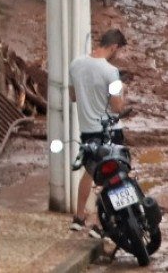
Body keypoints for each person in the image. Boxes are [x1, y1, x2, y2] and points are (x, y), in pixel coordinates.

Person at [69, 28, 128, 230]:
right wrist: (123, 92)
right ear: (114, 47)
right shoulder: (110, 72)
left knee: (90, 171)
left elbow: (73, 97)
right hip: (110, 131)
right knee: (116, 174)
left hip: (87, 132)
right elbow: (117, 106)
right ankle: (105, 223)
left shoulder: (75, 65)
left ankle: (78, 217)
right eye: (117, 51)